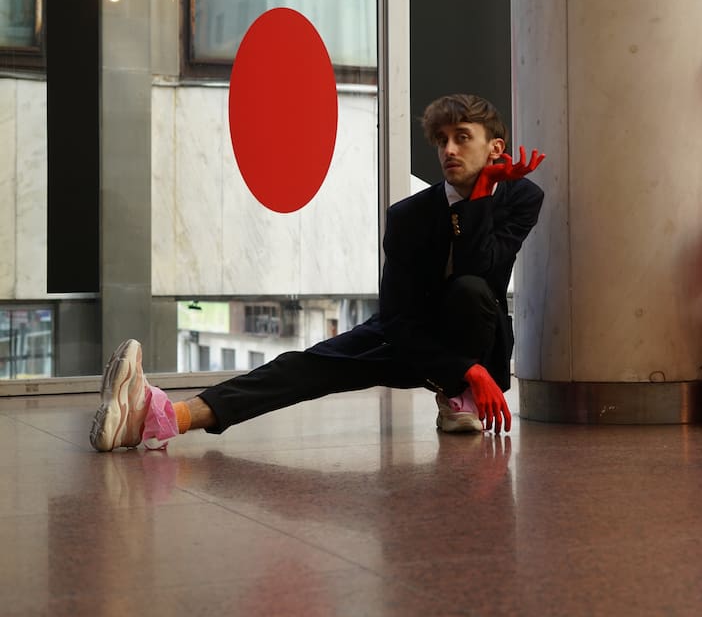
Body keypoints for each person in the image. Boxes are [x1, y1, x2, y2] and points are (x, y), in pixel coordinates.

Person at [90, 94, 545, 451]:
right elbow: (398, 318)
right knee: (305, 367)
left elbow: (479, 273)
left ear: (495, 147)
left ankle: (456, 393)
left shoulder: (522, 198)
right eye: (441, 139)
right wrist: (466, 369)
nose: (448, 149)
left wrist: (484, 192)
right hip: (413, 337)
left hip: (475, 331)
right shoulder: (409, 215)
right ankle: (159, 418)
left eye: (462, 137)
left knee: (468, 289)